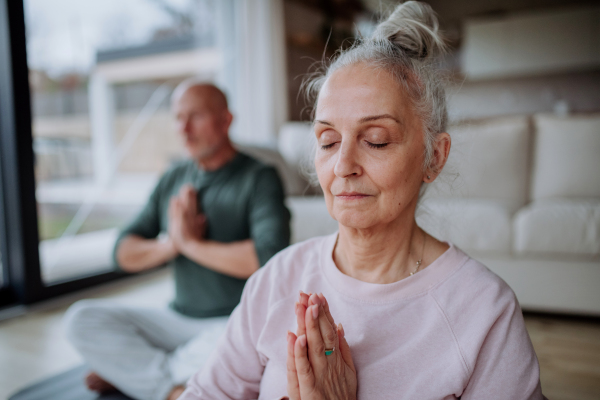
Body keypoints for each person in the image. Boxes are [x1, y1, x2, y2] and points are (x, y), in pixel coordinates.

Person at [179, 2, 546, 399]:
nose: (343, 165)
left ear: (434, 157)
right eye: (328, 141)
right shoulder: (277, 278)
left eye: (376, 140)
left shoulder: (484, 311)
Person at [64, 82, 291, 400]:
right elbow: (122, 252)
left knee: (250, 346)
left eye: (195, 116)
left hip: (231, 322)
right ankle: (169, 385)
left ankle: (138, 375)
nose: (183, 129)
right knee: (80, 319)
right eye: (177, 117)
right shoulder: (173, 176)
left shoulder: (260, 176)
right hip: (175, 319)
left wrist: (192, 246)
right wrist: (172, 244)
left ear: (225, 120)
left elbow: (270, 258)